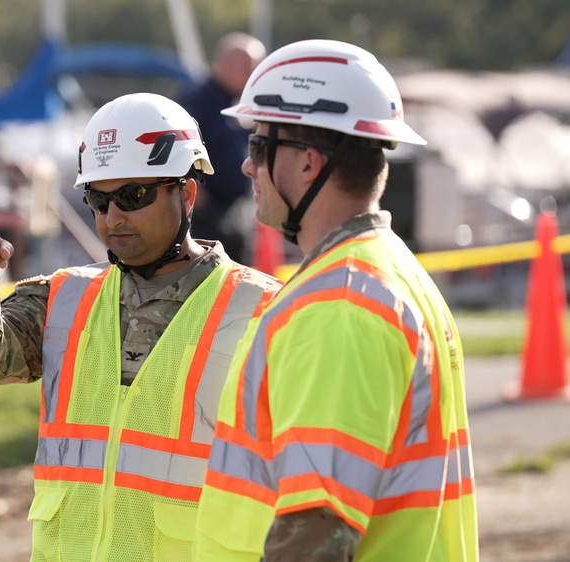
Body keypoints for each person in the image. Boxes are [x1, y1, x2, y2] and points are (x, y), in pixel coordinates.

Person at [0, 92, 281, 561]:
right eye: (98, 199)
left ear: (187, 193)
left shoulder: (263, 310)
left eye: (133, 196)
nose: (113, 218)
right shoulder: (64, 296)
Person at [193, 40, 479, 561]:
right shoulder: (386, 270)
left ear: (308, 163)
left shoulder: (338, 306)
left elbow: (315, 532)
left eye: (259, 146)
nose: (247, 167)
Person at [176, 32, 266, 263]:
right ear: (230, 64)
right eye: (251, 67)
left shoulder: (234, 104)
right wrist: (197, 198)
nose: (254, 76)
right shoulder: (196, 101)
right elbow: (175, 149)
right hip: (206, 220)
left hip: (234, 214)